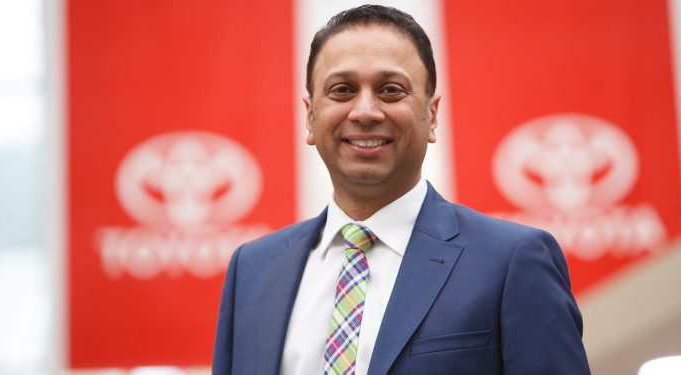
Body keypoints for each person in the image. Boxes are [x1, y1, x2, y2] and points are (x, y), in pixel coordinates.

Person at [213, 5, 590, 374]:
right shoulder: (253, 270)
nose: (364, 111)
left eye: (391, 90)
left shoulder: (512, 261)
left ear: (433, 114)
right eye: (342, 90)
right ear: (310, 117)